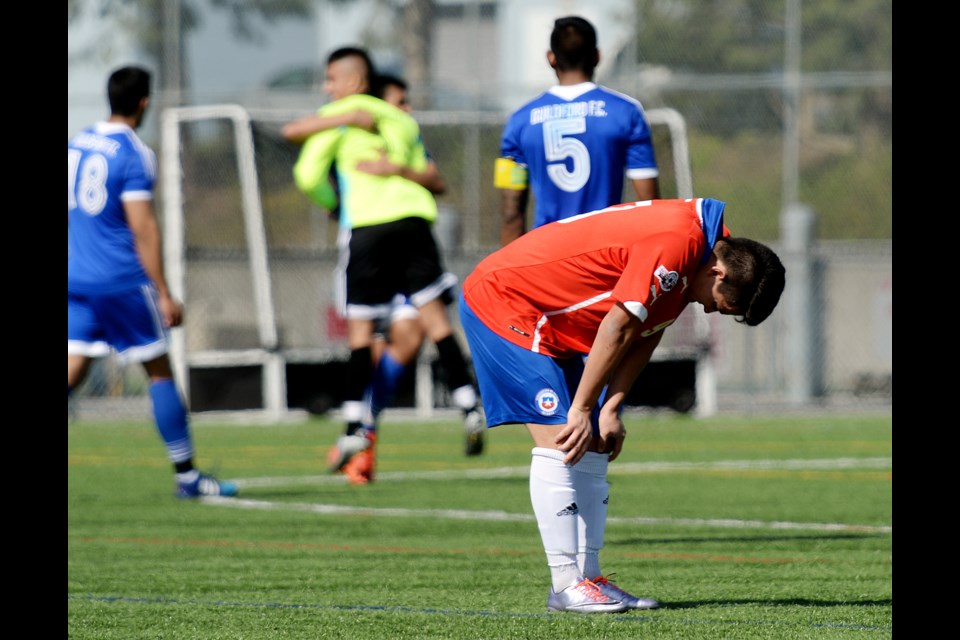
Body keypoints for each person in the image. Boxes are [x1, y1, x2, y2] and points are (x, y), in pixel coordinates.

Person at [459, 197, 786, 612]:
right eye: (724, 305)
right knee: (564, 438)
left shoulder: (704, 252)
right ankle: (564, 584)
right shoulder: (679, 243)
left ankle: (589, 578)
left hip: (548, 318)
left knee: (594, 440)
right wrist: (581, 410)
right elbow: (619, 323)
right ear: (718, 273)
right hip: (505, 301)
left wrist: (610, 406)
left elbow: (649, 326)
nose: (711, 309)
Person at [289, 48, 485, 485]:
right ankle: (466, 403)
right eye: (400, 100)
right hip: (413, 228)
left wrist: (335, 203)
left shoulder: (346, 118)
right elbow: (429, 177)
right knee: (426, 327)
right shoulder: (400, 125)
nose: (406, 108)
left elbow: (306, 171)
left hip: (368, 232)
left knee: (377, 337)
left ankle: (358, 426)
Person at [68, 65, 237, 499]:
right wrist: (163, 291)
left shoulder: (77, 141)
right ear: (145, 101)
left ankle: (189, 478)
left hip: (77, 278)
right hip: (120, 281)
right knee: (160, 372)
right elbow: (143, 227)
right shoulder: (134, 153)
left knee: (73, 368)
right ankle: (188, 479)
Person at [494, 15, 660, 246]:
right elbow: (649, 204)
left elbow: (511, 213)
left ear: (551, 58)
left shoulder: (519, 121)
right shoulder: (626, 112)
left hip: (548, 256)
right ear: (597, 56)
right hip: (604, 256)